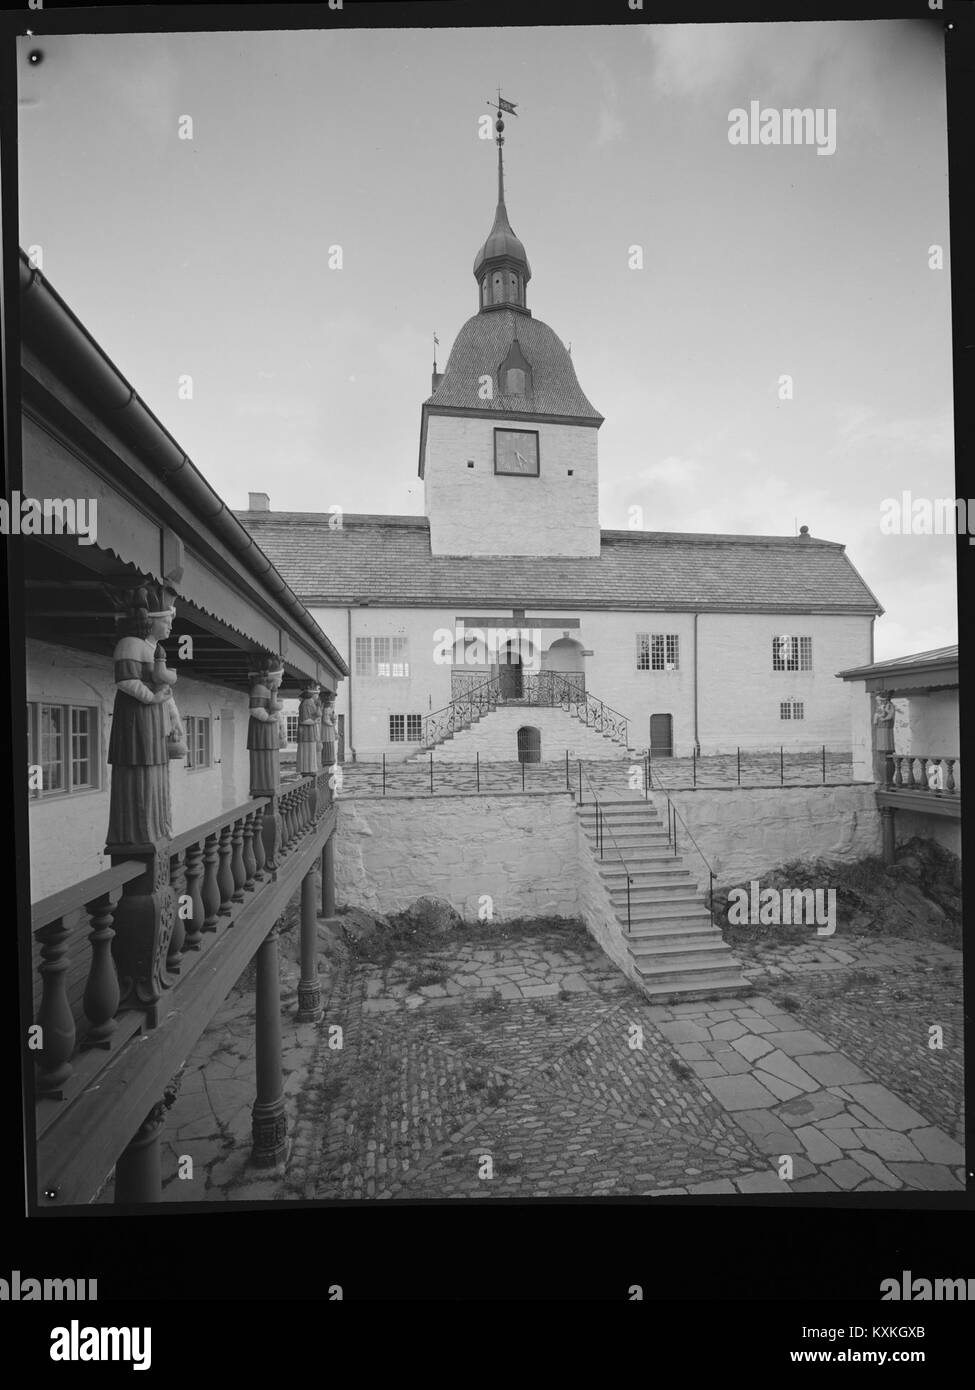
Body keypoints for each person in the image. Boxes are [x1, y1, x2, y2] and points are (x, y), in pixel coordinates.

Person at [107, 585, 178, 846]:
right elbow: (126, 680)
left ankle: (158, 827)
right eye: (168, 620)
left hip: (154, 720)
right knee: (140, 772)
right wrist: (152, 698)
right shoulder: (130, 644)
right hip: (136, 720)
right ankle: (139, 832)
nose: (170, 626)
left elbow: (165, 690)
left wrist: (174, 718)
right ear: (153, 620)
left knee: (157, 771)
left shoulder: (155, 650)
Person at [247, 657, 285, 795]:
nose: (280, 681)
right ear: (271, 677)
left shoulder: (267, 690)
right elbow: (255, 709)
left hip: (268, 730)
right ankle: (264, 787)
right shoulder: (259, 689)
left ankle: (271, 785)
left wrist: (274, 694)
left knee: (270, 756)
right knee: (263, 758)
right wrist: (268, 718)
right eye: (279, 677)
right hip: (260, 730)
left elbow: (274, 706)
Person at [296, 682, 322, 775]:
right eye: (317, 694)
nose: (318, 696)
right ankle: (308, 770)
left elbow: (318, 714)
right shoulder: (306, 703)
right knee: (308, 752)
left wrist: (318, 706)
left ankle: (310, 769)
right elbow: (304, 720)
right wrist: (315, 722)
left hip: (310, 733)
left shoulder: (311, 703)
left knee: (311, 751)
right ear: (313, 694)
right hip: (306, 734)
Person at [320, 689, 337, 769]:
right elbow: (325, 720)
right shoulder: (327, 709)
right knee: (327, 743)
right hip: (327, 729)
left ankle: (330, 761)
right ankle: (327, 762)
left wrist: (333, 720)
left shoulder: (330, 709)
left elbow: (331, 718)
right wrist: (332, 723)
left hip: (329, 729)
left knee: (330, 743)